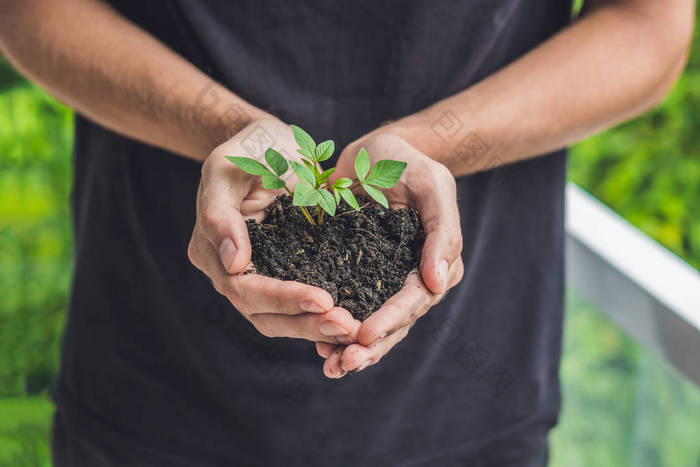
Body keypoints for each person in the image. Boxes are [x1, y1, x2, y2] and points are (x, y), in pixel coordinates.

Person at [0, 0, 693, 465]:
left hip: (467, 403)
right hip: (151, 382)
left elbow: (647, 25)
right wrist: (223, 129)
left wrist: (434, 142)